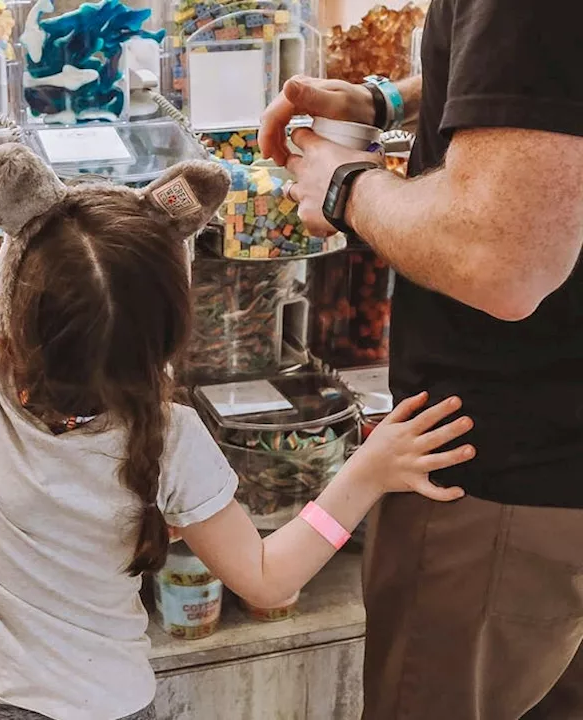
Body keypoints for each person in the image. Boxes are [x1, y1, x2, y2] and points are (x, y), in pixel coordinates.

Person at [0, 59, 475, 720]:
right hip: (108, 705)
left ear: (8, 289)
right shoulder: (170, 437)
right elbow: (266, 577)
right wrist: (365, 473)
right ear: (170, 334)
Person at [258, 1, 583, 716]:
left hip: (499, 483)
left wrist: (345, 186)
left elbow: (501, 260)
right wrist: (394, 97)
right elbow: (547, 87)